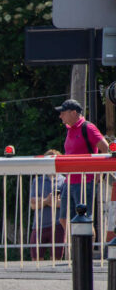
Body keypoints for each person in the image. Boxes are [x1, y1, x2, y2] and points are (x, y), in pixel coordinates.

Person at [56, 99, 107, 239]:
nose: (60, 116)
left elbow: (106, 148)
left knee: (85, 219)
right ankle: (76, 249)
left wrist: (99, 171)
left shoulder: (88, 127)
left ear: (74, 113)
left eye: (63, 113)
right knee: (64, 218)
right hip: (69, 180)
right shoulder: (69, 129)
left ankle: (87, 253)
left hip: (85, 180)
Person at [28, 150, 65, 261]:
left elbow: (62, 204)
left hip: (58, 225)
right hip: (39, 225)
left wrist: (42, 201)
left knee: (57, 258)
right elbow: (33, 205)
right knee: (36, 258)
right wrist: (47, 201)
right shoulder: (37, 180)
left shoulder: (64, 181)